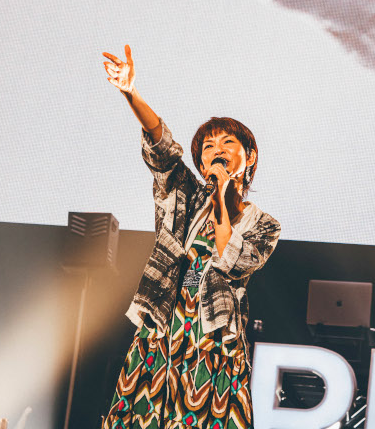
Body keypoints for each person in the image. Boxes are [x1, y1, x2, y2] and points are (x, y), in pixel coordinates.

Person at [100, 45, 280, 429]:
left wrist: (222, 196)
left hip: (213, 342)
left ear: (249, 156)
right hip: (163, 330)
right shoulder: (183, 194)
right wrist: (130, 92)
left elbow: (231, 259)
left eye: (228, 143)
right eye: (209, 147)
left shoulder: (264, 225)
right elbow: (161, 149)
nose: (218, 151)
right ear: (200, 163)